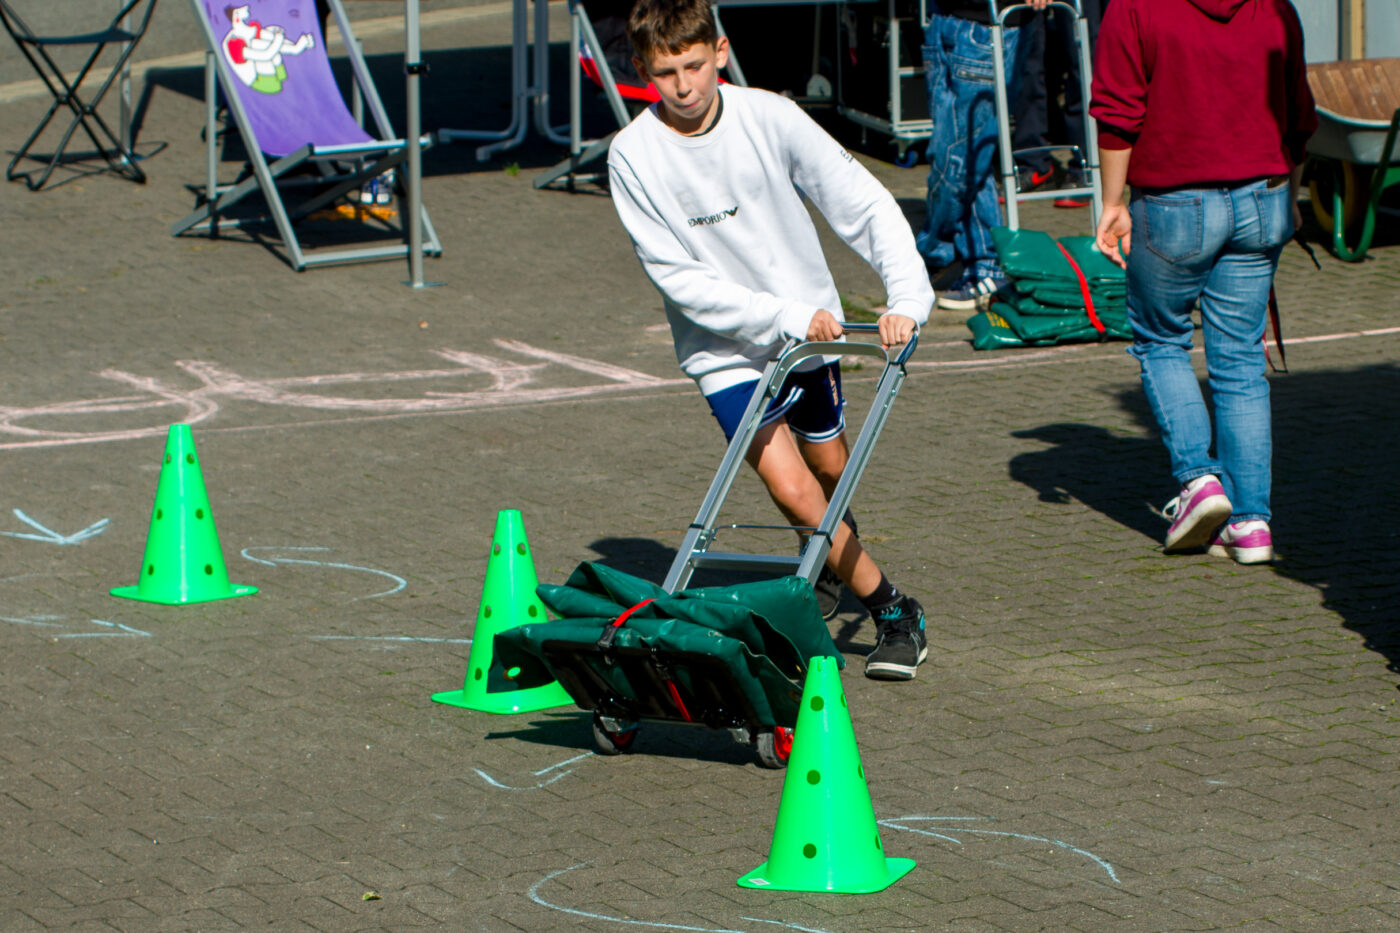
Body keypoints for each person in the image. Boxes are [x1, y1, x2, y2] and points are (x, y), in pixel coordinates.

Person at [607, 0, 935, 679]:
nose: (685, 86)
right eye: (666, 72)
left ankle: (827, 553)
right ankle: (895, 608)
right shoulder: (632, 156)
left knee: (831, 474)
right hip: (725, 347)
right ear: (642, 70)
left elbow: (862, 201)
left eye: (695, 65)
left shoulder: (771, 117)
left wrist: (905, 297)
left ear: (720, 51)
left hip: (811, 335)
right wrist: (781, 315)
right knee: (792, 489)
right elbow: (679, 280)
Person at [1090, 0, 1316, 564]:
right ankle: (1252, 523)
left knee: (1161, 340)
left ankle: (1199, 482)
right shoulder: (1276, 7)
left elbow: (1118, 113)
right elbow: (1299, 115)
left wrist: (1112, 202)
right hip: (1263, 196)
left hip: (1175, 201)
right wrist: (1292, 194)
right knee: (1239, 360)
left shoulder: (1135, 7)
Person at [917, 0, 1048, 312]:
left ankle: (936, 253)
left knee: (958, 159)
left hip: (988, 26)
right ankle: (983, 261)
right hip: (943, 17)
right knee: (962, 153)